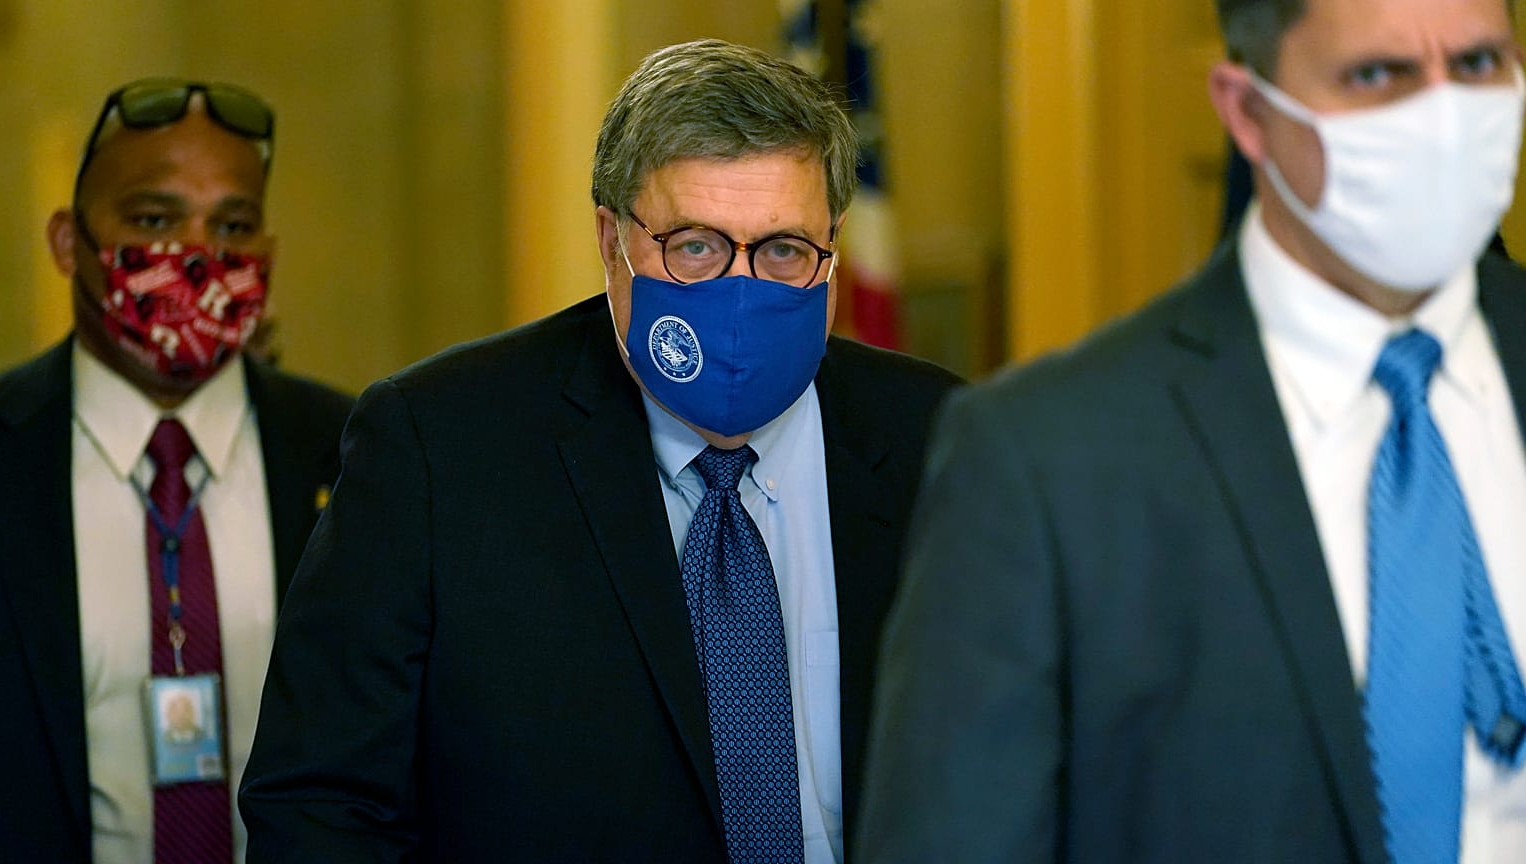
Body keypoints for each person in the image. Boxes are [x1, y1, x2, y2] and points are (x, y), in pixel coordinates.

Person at [239, 38, 958, 863]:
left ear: (832, 244)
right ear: (611, 239)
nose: (740, 290)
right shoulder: (438, 448)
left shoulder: (940, 439)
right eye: (694, 247)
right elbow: (322, 805)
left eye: (783, 252)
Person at [859, 0, 1526, 861]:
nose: (1440, 117)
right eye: (1376, 74)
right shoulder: (1045, 461)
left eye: (1476, 65)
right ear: (1248, 112)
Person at [0, 79, 353, 864]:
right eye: (153, 219)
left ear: (268, 255)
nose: (196, 255)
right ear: (67, 242)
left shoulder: (358, 453)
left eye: (232, 224)